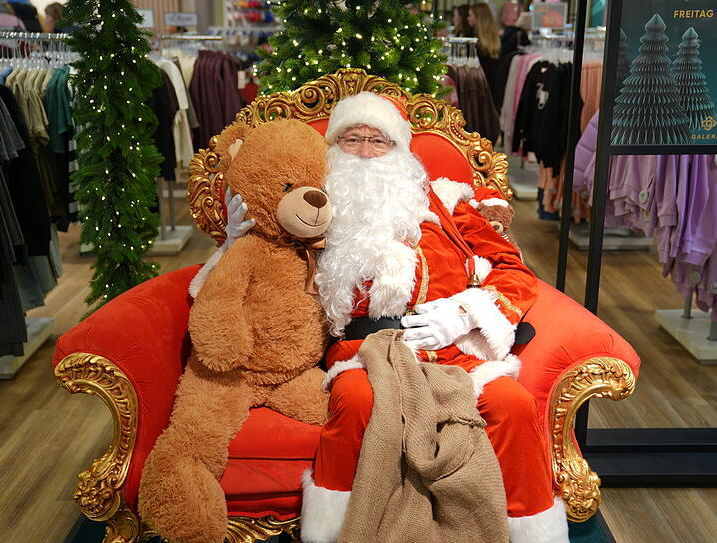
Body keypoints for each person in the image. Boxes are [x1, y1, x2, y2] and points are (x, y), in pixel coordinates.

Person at [216, 93, 569, 543]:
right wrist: (234, 244)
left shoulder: (446, 204)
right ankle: (337, 531)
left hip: (452, 349)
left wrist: (466, 313)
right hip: (361, 352)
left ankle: (532, 534)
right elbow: (263, 272)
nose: (364, 151)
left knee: (513, 405)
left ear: (400, 150)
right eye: (352, 139)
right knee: (359, 400)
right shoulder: (310, 208)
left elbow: (512, 268)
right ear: (333, 147)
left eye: (377, 141)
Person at [467, 3, 502, 101]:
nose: (468, 18)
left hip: (478, 87)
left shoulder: (473, 40)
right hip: (492, 88)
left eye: (470, 15)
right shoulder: (494, 39)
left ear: (478, 18)